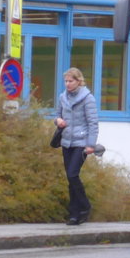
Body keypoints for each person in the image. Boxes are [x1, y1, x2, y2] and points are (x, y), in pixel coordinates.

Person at [55, 67, 98, 225]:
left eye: (70, 81)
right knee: (70, 178)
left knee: (73, 174)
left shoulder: (88, 98)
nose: (67, 84)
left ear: (78, 81)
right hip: (67, 141)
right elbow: (57, 115)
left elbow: (93, 123)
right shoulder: (62, 97)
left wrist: (91, 144)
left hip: (81, 142)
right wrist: (58, 121)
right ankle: (74, 214)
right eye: (66, 81)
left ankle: (85, 205)